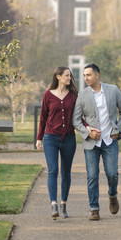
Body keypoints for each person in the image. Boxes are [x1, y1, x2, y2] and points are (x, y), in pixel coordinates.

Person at [72, 63, 121, 221]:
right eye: (84, 75)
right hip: (91, 143)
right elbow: (76, 120)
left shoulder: (113, 90)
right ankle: (94, 208)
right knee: (92, 176)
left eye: (88, 75)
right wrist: (88, 133)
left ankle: (112, 195)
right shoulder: (82, 95)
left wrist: (118, 130)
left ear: (97, 75)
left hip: (110, 140)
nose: (86, 78)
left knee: (112, 174)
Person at [36, 66, 78, 219]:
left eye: (70, 76)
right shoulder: (48, 95)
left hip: (68, 139)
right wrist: (39, 138)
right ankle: (53, 204)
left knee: (66, 173)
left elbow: (79, 116)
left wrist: (87, 128)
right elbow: (43, 118)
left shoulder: (73, 95)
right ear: (58, 77)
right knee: (53, 170)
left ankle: (63, 204)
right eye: (67, 75)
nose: (69, 78)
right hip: (50, 138)